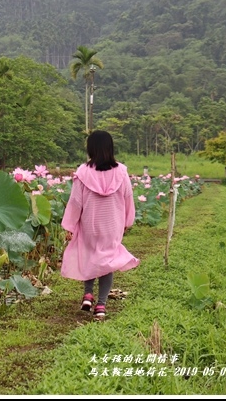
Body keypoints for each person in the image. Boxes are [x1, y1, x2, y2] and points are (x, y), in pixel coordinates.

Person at [60, 130, 139, 319]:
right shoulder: (121, 171)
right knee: (107, 263)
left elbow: (75, 202)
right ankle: (101, 306)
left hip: (90, 224)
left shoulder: (83, 172)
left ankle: (88, 295)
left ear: (90, 148)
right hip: (112, 224)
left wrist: (70, 226)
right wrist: (128, 221)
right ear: (110, 148)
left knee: (89, 256)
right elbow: (128, 197)